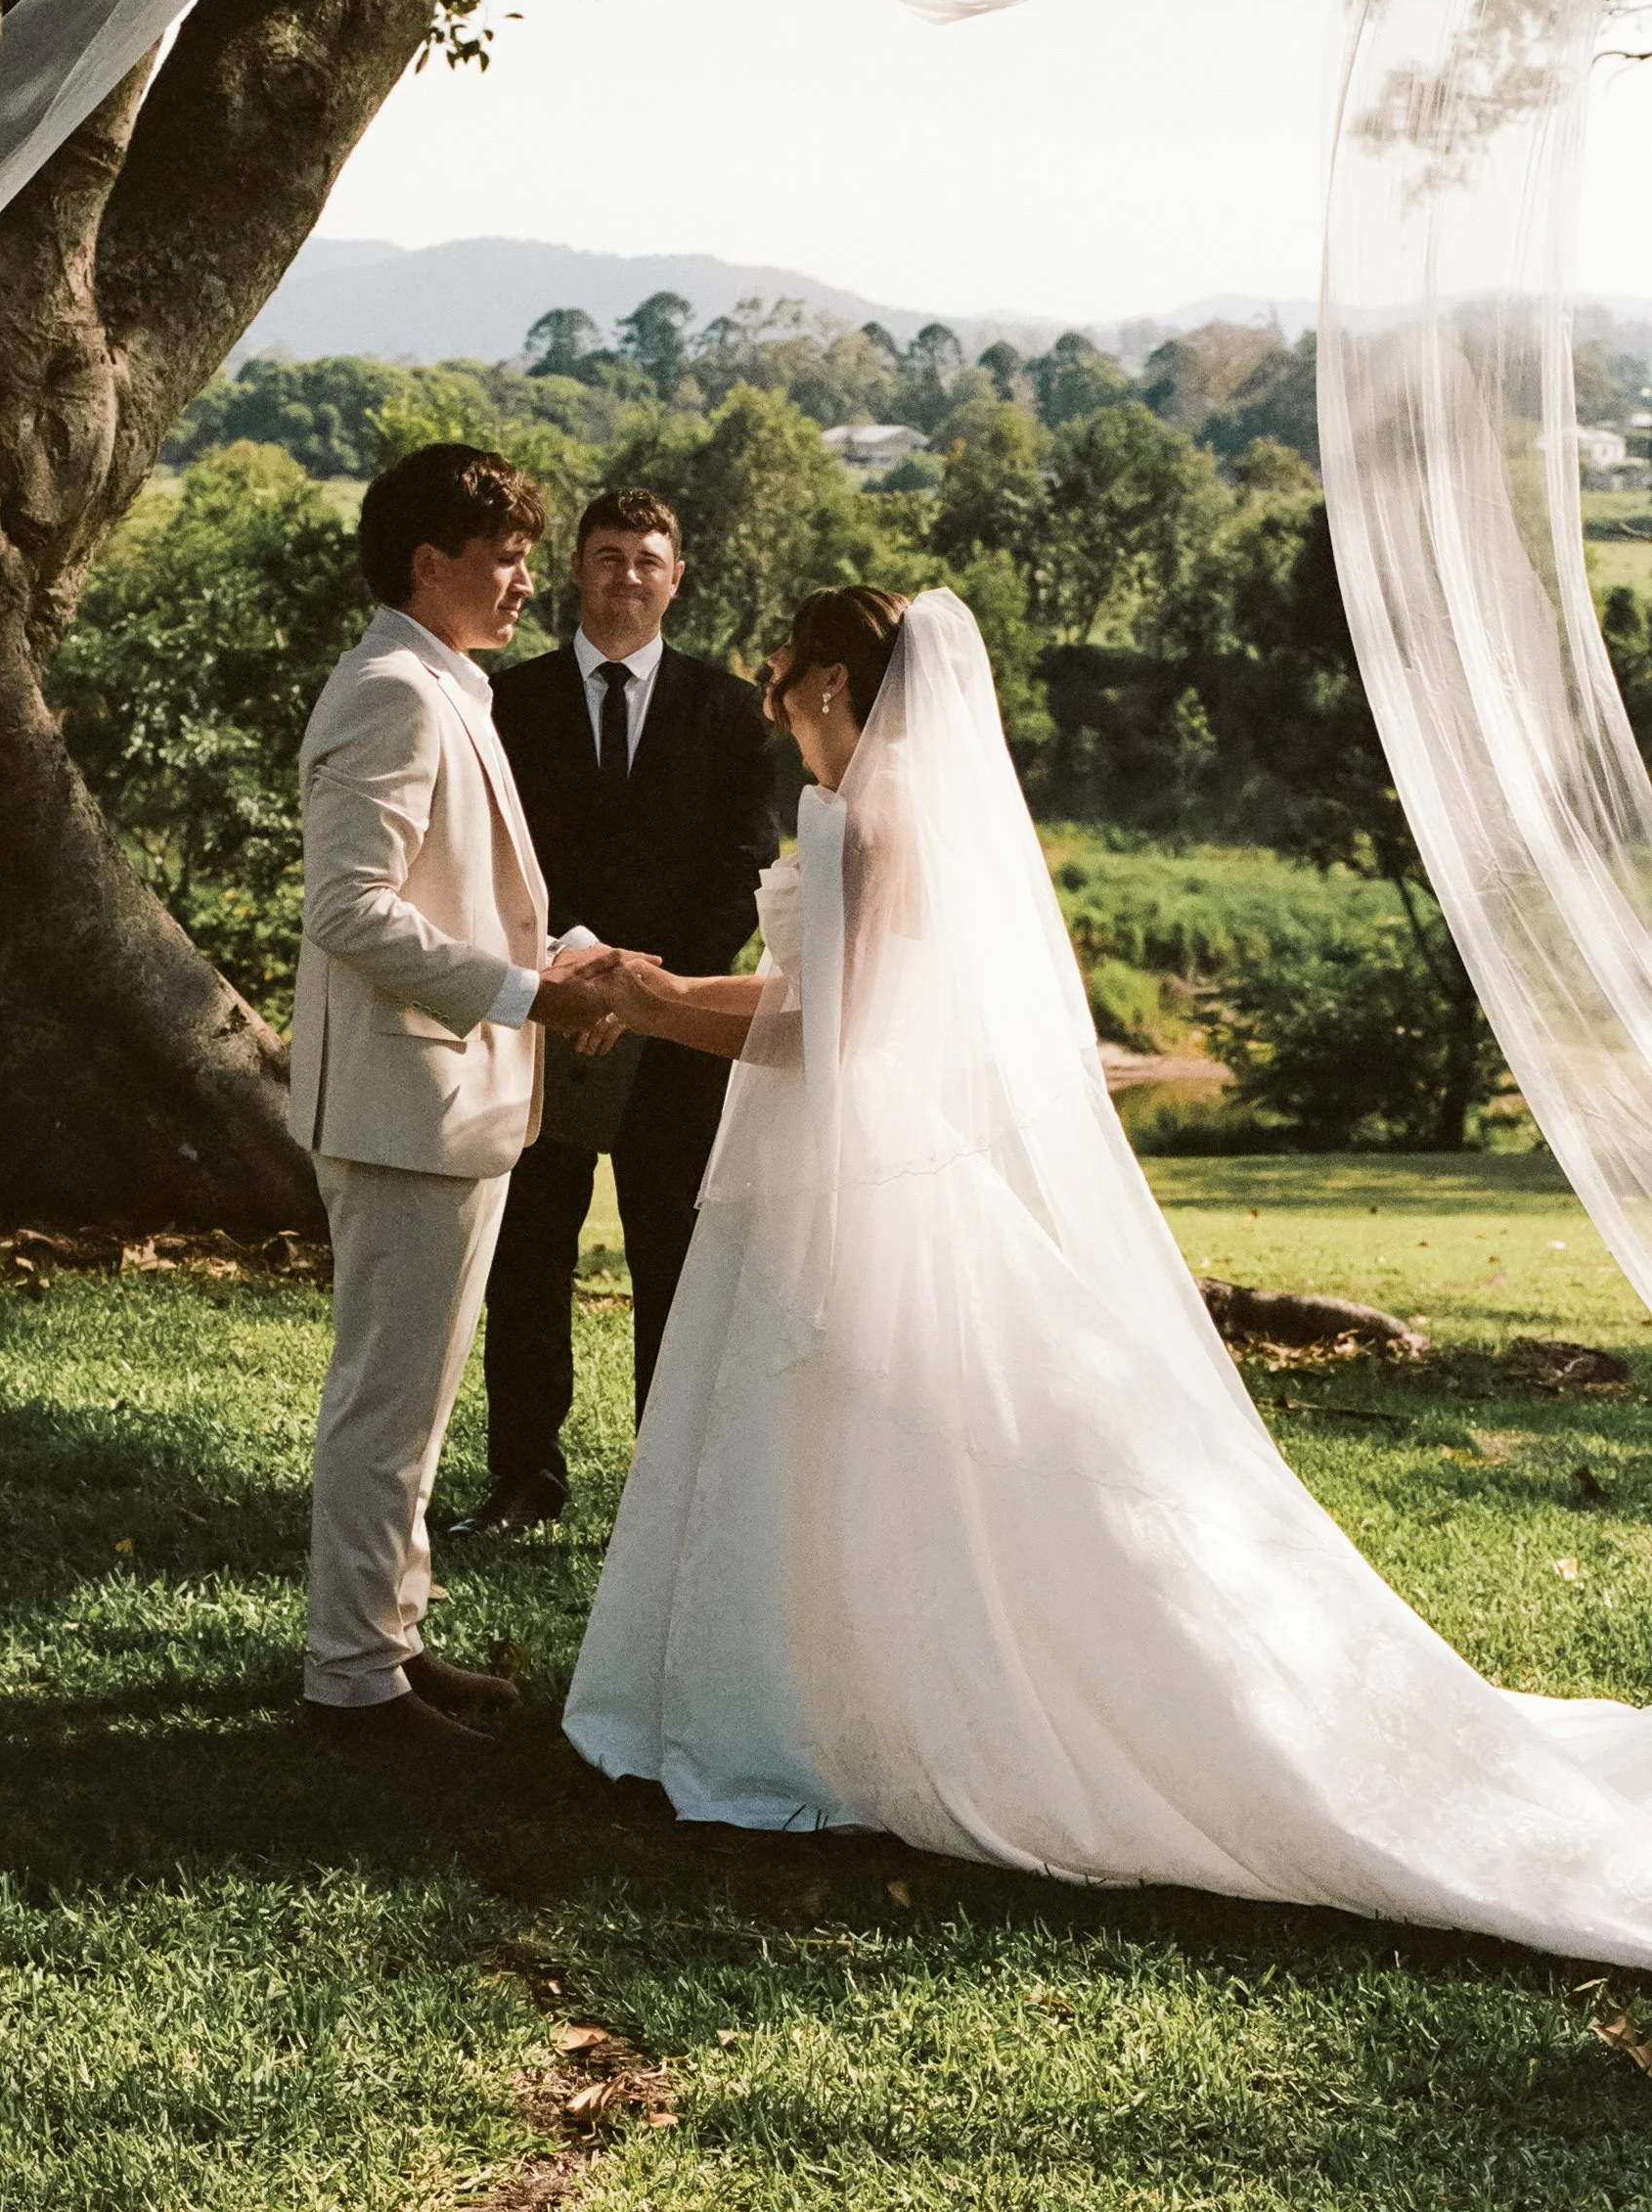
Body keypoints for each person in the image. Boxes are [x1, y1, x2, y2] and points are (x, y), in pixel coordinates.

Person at [565, 584, 1652, 1967]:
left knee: (885, 1430)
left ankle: (864, 1717)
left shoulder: (877, 817)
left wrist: (646, 1000)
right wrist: (655, 988)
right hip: (827, 1165)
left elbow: (829, 1035)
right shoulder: (862, 810)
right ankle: (800, 1704)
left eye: (779, 677)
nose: (769, 700)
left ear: (833, 681)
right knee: (815, 1438)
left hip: (859, 1173)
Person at [290, 442, 630, 1758]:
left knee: (419, 1399)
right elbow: (347, 910)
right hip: (401, 1105)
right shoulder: (389, 691)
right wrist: (522, 995)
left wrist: (553, 959)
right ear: (426, 562)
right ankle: (350, 1686)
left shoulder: (450, 685)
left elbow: (448, 891)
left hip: (453, 1103)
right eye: (503, 558)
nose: (525, 581)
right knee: (386, 1398)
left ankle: (390, 1640)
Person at [450, 486, 778, 1537]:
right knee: (529, 1251)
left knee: (671, 1260)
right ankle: (522, 1480)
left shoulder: (732, 713)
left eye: (646, 558)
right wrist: (579, 966)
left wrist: (651, 990)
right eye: (605, 555)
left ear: (676, 576)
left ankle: (666, 1495)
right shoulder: (510, 703)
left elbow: (744, 872)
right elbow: (497, 865)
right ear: (577, 572)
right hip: (547, 1011)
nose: (625, 574)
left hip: (680, 1030)